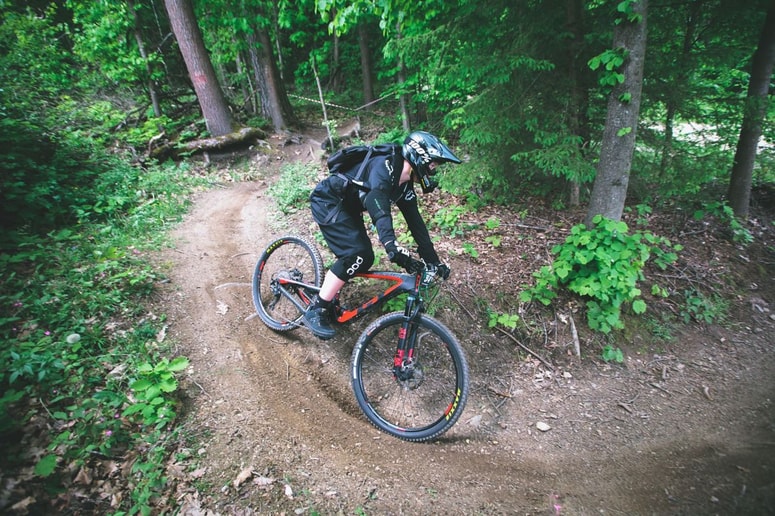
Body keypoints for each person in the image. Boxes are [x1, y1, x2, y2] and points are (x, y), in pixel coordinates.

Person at [303, 131, 462, 340]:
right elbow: (376, 199)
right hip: (329, 201)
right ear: (420, 157)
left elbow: (417, 225)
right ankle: (317, 309)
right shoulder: (385, 165)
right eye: (433, 164)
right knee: (357, 255)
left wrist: (433, 261)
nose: (433, 170)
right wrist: (389, 243)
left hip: (348, 208)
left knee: (364, 258)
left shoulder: (404, 186)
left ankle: (331, 293)